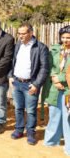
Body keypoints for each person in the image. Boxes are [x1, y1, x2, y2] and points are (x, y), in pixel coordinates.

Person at [8, 23, 49, 145]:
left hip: (30, 84)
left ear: (31, 33)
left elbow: (44, 68)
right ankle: (19, 130)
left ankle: (31, 132)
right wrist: (10, 76)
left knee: (30, 110)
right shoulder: (17, 46)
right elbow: (12, 62)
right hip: (16, 83)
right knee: (18, 109)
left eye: (23, 33)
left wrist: (36, 84)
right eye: (19, 33)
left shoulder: (40, 47)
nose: (20, 36)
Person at [43, 25, 70, 155]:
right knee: (54, 114)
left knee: (68, 117)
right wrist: (54, 78)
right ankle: (51, 140)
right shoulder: (54, 49)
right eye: (63, 37)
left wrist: (59, 79)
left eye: (68, 38)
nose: (65, 40)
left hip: (68, 90)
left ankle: (69, 147)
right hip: (54, 88)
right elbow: (50, 65)